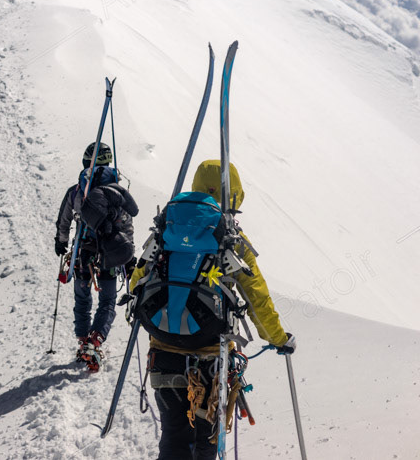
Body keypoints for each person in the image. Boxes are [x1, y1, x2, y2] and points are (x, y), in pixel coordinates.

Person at [130, 160, 297, 460]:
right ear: (233, 195)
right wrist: (278, 338)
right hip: (210, 361)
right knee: (205, 443)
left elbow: (136, 282)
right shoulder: (230, 239)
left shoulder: (164, 229)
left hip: (163, 353)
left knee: (173, 438)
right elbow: (256, 296)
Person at [54, 142, 139, 370]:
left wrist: (61, 242)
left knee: (82, 300)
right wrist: (129, 257)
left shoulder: (76, 192)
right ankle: (96, 340)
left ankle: (83, 342)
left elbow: (64, 220)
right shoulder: (118, 193)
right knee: (108, 302)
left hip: (83, 253)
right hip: (110, 256)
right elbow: (126, 226)